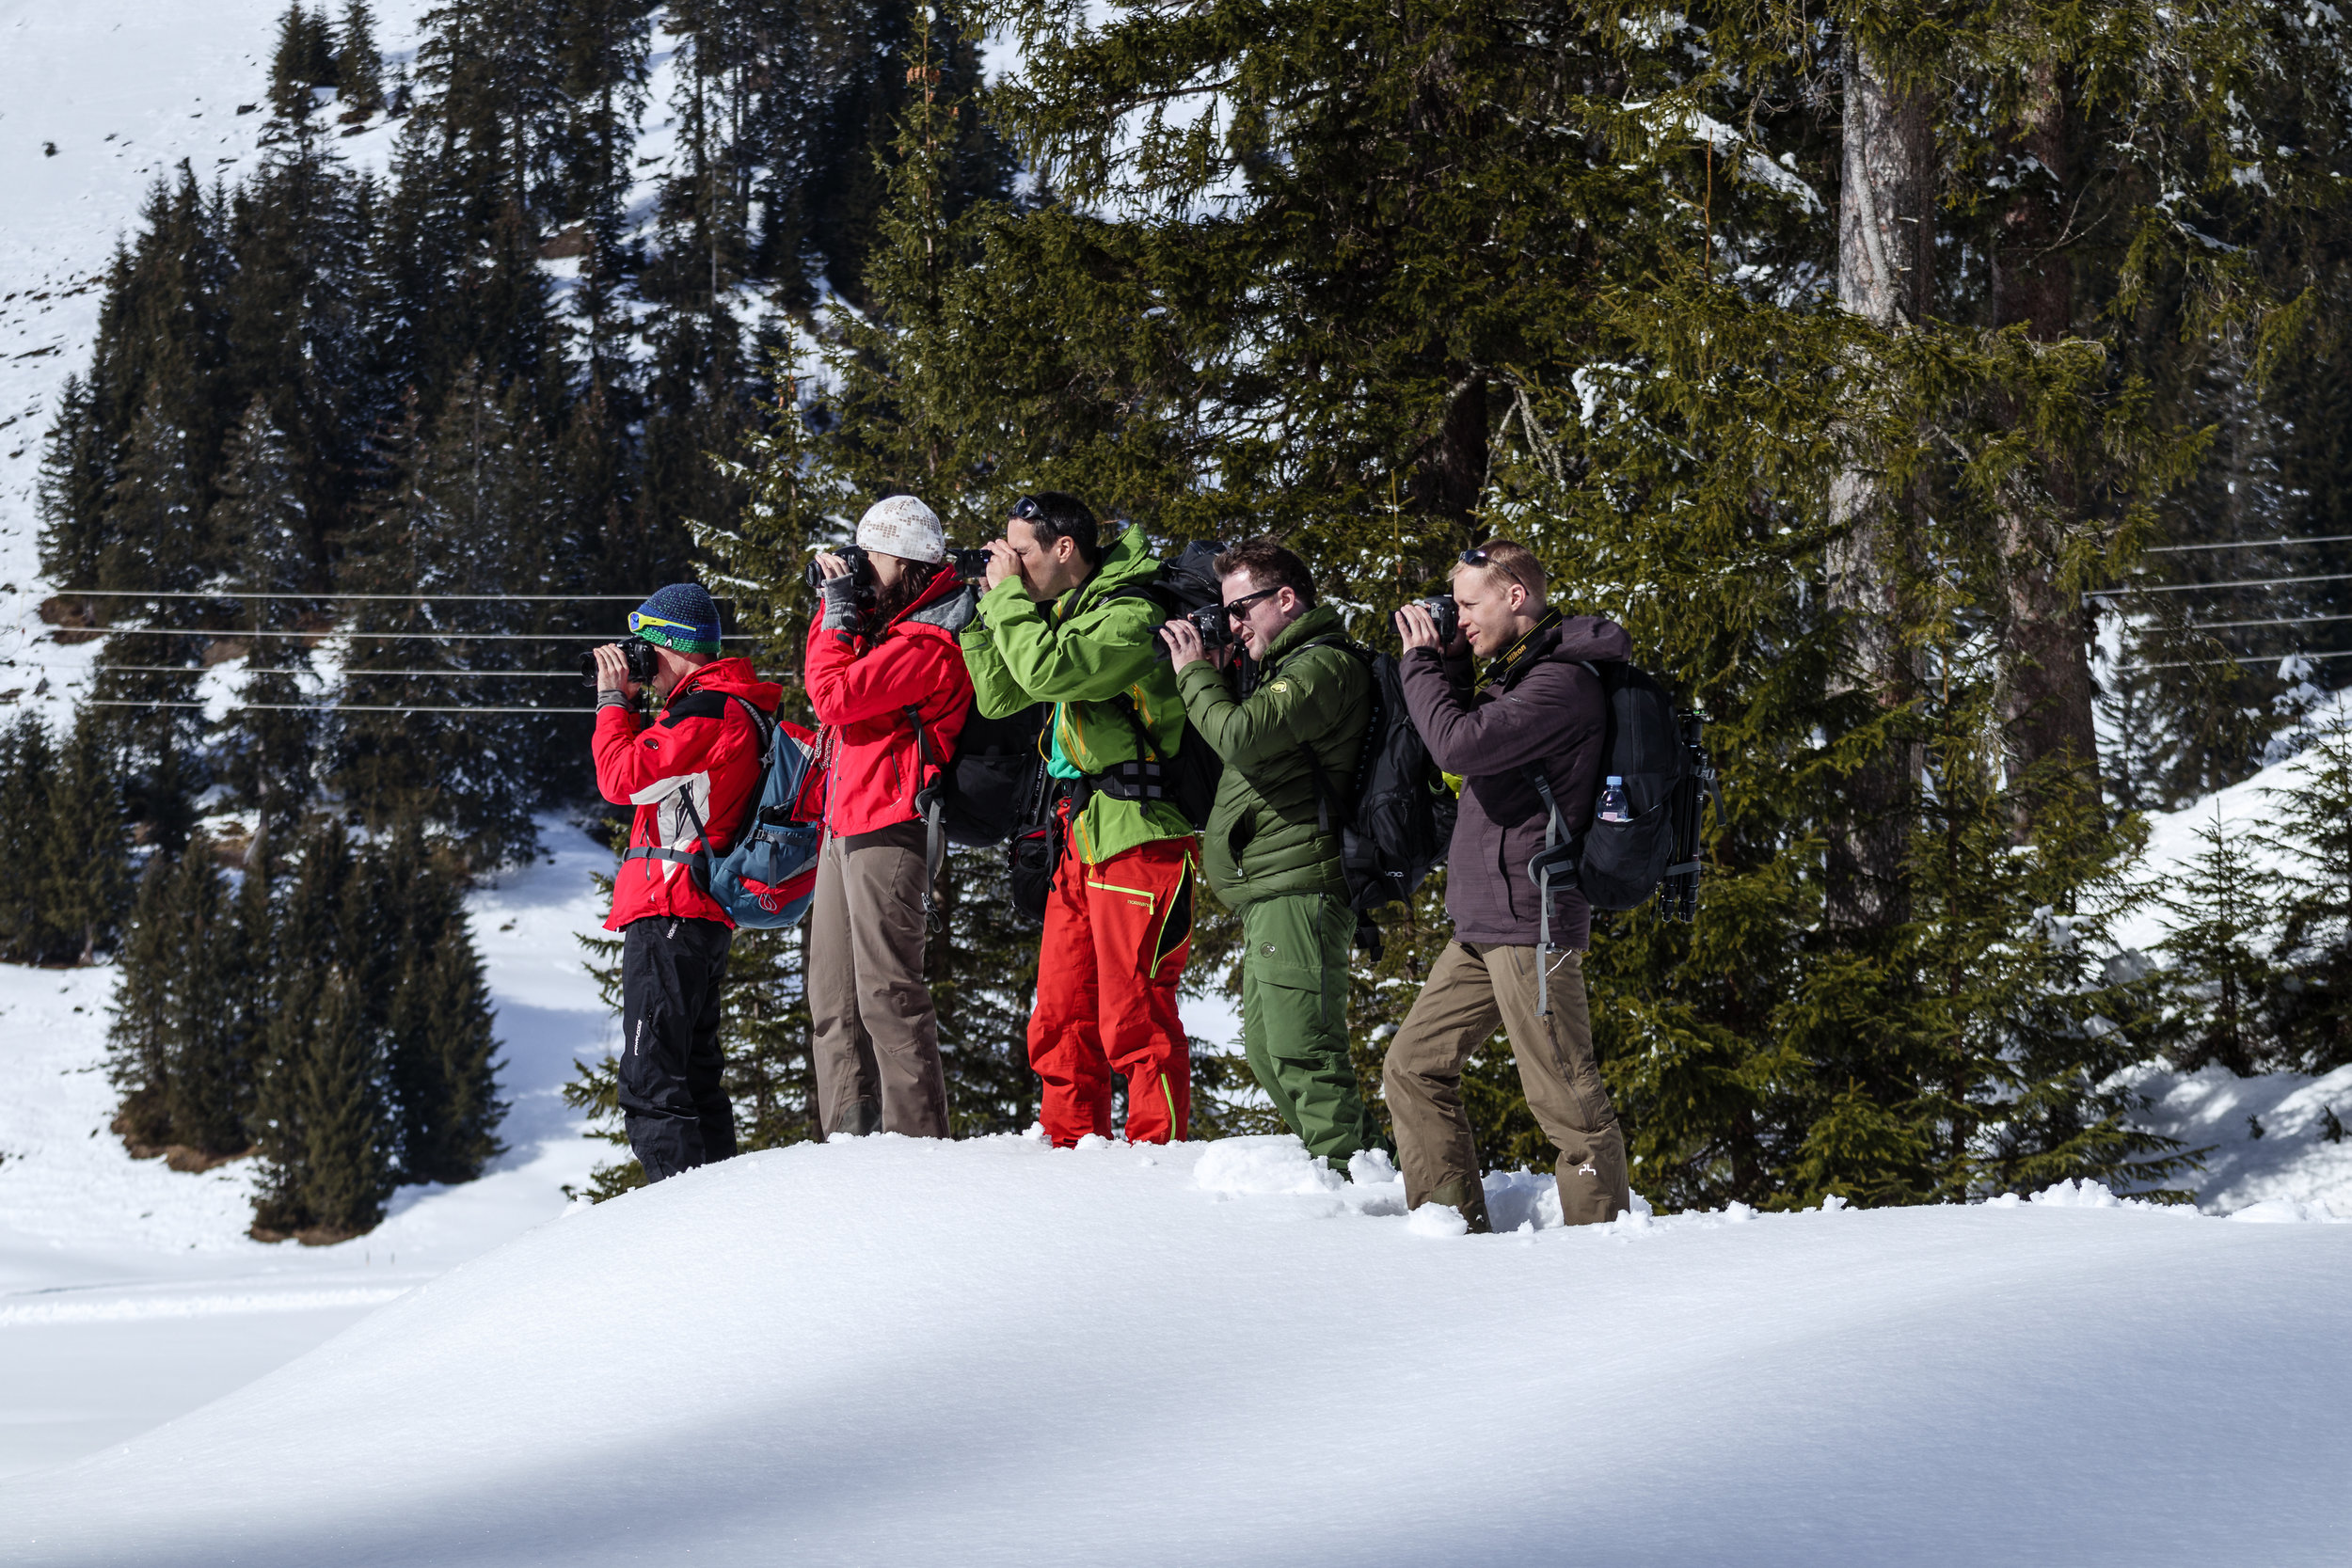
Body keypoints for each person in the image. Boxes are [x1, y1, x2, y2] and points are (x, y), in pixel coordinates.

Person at [1383, 540, 1634, 1232]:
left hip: (1533, 919)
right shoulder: (1521, 674)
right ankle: (1448, 1227)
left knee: (1567, 1099)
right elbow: (1472, 731)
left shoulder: (1562, 684)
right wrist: (1452, 661)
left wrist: (1421, 662)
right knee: (1413, 1067)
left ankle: (1606, 1244)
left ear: (1515, 594)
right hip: (1488, 918)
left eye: (1468, 603)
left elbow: (1459, 744)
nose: (1458, 617)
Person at [961, 491, 1199, 1146]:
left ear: (1066, 549)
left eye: (1023, 551)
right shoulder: (1066, 611)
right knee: (1062, 1013)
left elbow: (1042, 670)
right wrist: (982, 617)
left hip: (1140, 834)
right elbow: (1006, 690)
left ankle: (1158, 1157)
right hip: (1081, 834)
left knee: (1134, 1014)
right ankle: (1069, 1152)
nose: (1014, 564)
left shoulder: (1130, 614)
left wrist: (1006, 600)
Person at [1160, 537, 1377, 1170]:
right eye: (1227, 612)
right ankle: (1366, 1166)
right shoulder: (1284, 668)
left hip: (1302, 888)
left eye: (1243, 607)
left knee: (1302, 1053)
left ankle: (1362, 1184)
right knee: (1268, 1050)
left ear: (1287, 598)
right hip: (1274, 889)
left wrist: (1194, 672)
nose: (1233, 623)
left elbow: (1239, 736)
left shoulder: (1322, 667)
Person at [592, 582, 784, 1182]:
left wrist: (610, 703)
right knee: (694, 1074)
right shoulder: (718, 705)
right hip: (693, 911)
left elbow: (620, 777)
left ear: (672, 646)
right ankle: (712, 1210)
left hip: (671, 906)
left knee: (653, 1078)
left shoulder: (708, 711)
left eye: (645, 650)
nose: (639, 666)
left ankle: (679, 1215)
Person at [803, 496, 975, 1139]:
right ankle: (848, 1135)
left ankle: (917, 1147)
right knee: (833, 1000)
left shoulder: (930, 641)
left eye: (870, 560)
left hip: (891, 824)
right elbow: (834, 691)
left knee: (887, 994)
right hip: (844, 823)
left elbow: (833, 694)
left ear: (903, 562)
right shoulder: (888, 631)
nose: (862, 573)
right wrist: (841, 611)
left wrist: (838, 617)